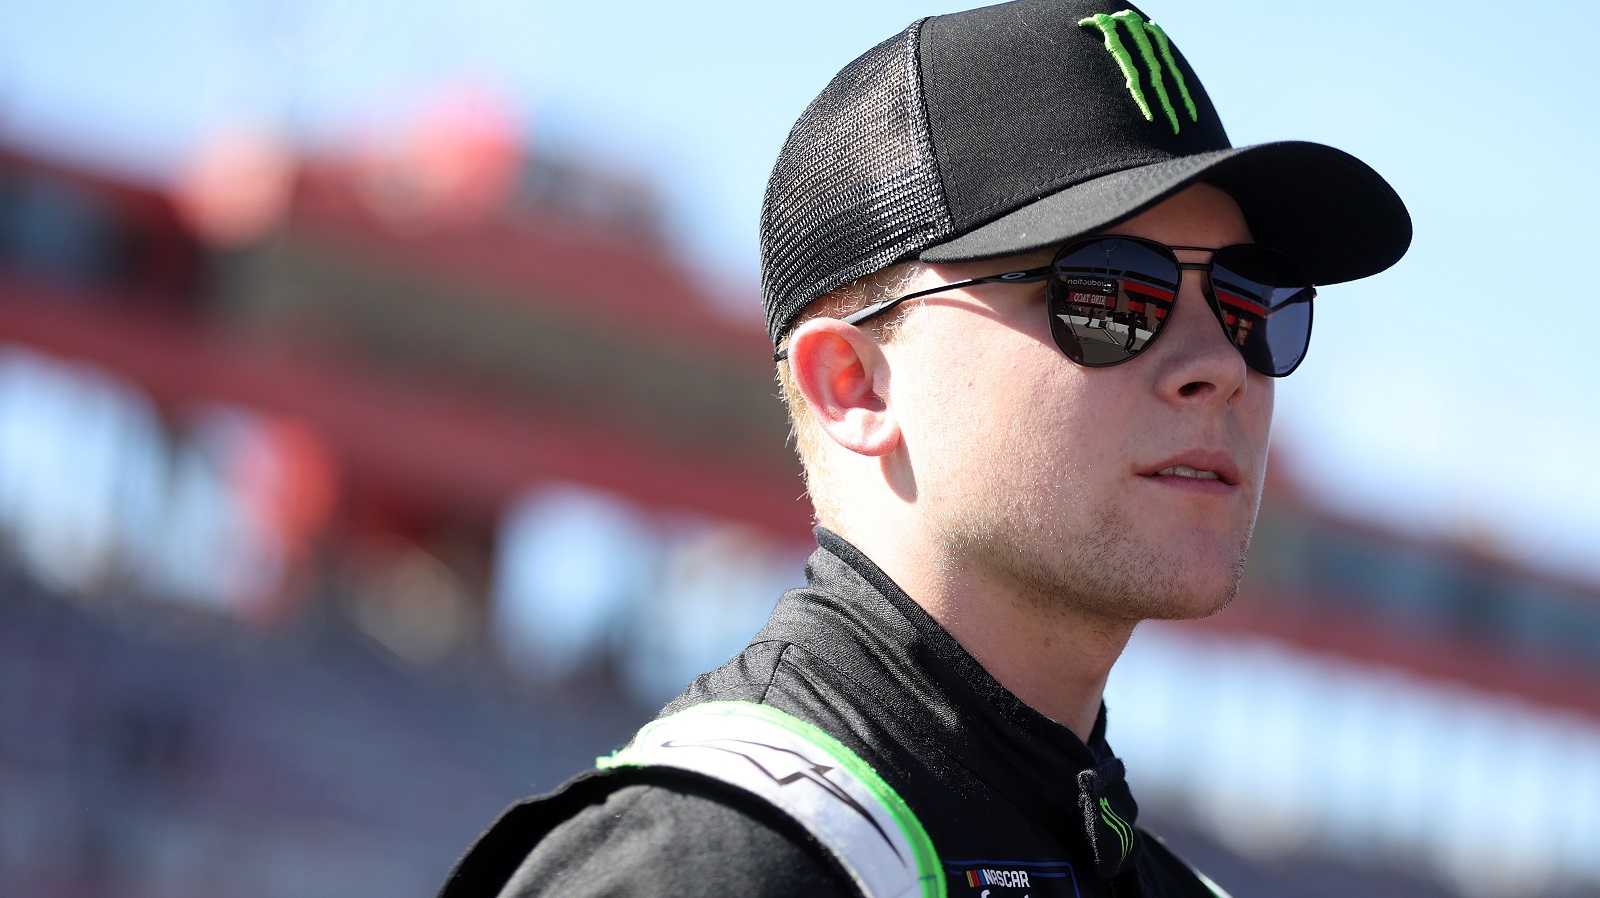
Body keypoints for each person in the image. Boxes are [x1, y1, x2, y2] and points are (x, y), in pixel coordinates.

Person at [437, 2, 1410, 896]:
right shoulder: (710, 865)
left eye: (1252, 304)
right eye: (1112, 293)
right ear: (854, 384)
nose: (1220, 365)